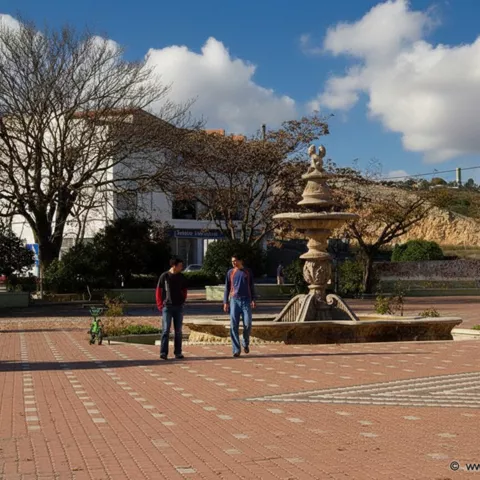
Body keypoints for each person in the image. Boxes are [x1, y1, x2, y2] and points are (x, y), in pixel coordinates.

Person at [223, 253, 256, 357]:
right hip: (234, 301)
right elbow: (227, 288)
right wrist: (225, 302)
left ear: (241, 261)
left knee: (248, 324)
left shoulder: (247, 272)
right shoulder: (230, 272)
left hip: (246, 301)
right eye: (232, 261)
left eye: (235, 261)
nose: (234, 263)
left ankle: (245, 342)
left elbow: (251, 286)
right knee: (233, 325)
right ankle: (236, 349)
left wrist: (253, 299)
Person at [156, 258, 188, 360]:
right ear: (174, 265)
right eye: (180, 266)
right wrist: (160, 305)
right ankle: (163, 352)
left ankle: (178, 352)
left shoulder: (181, 277)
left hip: (179, 307)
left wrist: (182, 300)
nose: (181, 268)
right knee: (166, 330)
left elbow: (184, 290)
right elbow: (158, 291)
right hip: (167, 307)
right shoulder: (164, 276)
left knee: (178, 331)